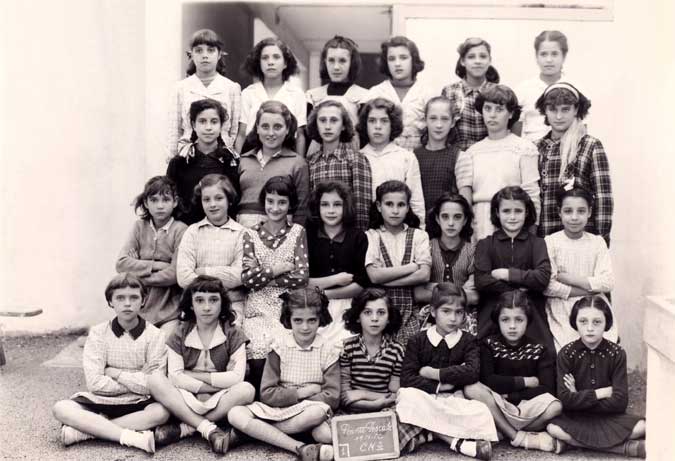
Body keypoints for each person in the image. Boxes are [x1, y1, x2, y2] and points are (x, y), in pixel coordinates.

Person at [52, 274, 169, 453]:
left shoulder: (155, 335)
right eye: (120, 298)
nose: (127, 304)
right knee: (61, 408)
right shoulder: (98, 333)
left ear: (143, 301)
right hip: (102, 399)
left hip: (138, 401)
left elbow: (152, 385)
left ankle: (85, 432)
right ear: (110, 302)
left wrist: (115, 373)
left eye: (134, 298)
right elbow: (95, 383)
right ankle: (131, 437)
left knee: (161, 412)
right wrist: (138, 376)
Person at [228, 288, 339, 461]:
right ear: (288, 319)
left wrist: (306, 402)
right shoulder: (279, 347)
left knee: (320, 423)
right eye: (298, 320)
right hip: (278, 409)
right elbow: (266, 394)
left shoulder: (328, 349)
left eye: (312, 320)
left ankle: (254, 433)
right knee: (235, 413)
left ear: (320, 319)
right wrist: (302, 392)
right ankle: (298, 446)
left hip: (308, 410)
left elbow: (332, 396)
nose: (305, 327)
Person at [147, 276, 254, 453]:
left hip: (219, 397)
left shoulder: (233, 333)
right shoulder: (180, 333)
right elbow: (175, 377)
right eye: (199, 300)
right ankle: (209, 428)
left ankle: (186, 428)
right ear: (191, 304)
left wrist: (192, 374)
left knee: (247, 390)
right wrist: (214, 383)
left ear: (222, 304)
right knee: (155, 379)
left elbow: (237, 378)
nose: (206, 307)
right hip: (185, 396)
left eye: (213, 300)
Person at [396, 283, 497, 460]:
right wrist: (439, 386)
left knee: (481, 411)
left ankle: (428, 432)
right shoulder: (417, 340)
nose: (453, 318)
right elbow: (407, 378)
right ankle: (455, 442)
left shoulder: (469, 340)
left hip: (454, 400)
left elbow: (472, 372)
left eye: (459, 312)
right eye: (446, 311)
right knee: (406, 396)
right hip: (426, 397)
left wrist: (434, 373)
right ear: (433, 311)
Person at [546, 296, 646, 458]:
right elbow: (565, 400)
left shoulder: (616, 353)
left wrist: (578, 396)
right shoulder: (566, 354)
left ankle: (572, 443)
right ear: (575, 323)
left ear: (606, 323)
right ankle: (624, 448)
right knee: (553, 428)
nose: (590, 328)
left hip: (610, 418)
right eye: (583, 321)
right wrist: (601, 393)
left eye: (597, 322)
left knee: (643, 426)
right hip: (578, 419)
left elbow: (620, 402)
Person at [464, 291, 563, 453]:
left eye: (519, 320)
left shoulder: (539, 349)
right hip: (498, 404)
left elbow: (547, 388)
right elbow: (489, 380)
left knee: (555, 406)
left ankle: (502, 430)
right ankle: (516, 436)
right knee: (471, 388)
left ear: (528, 321)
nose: (512, 326)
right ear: (497, 320)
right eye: (505, 319)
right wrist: (525, 381)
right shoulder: (487, 344)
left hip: (525, 406)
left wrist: (512, 396)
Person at [241, 176, 309, 394]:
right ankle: (259, 398)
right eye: (270, 201)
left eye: (282, 202)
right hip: (257, 307)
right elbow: (248, 280)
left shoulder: (297, 232)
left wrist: (262, 274)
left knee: (282, 345)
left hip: (285, 305)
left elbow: (301, 276)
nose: (275, 208)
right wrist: (278, 269)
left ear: (290, 204)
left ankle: (281, 396)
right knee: (257, 346)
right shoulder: (251, 234)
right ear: (264, 202)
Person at [474, 186, 553, 357]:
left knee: (545, 354)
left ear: (526, 212)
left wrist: (507, 274)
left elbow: (542, 278)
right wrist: (520, 288)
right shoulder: (485, 244)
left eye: (518, 211)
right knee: (481, 353)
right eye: (506, 211)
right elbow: (482, 281)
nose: (512, 217)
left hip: (531, 312)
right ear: (497, 212)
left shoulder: (537, 243)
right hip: (493, 312)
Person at [455, 84, 541, 240]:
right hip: (479, 223)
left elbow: (532, 194)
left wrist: (530, 235)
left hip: (513, 221)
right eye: (487, 109)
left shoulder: (525, 148)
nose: (492, 115)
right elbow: (466, 197)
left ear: (511, 113)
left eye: (499, 109)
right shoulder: (472, 152)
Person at [535, 82, 613, 245]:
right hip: (545, 237)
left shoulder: (590, 145)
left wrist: (601, 240)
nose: (558, 116)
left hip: (582, 239)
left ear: (576, 109)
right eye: (552, 110)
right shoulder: (537, 148)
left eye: (565, 109)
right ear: (545, 111)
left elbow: (603, 197)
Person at [544, 186, 616, 351]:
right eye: (568, 211)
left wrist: (566, 277)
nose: (574, 217)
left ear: (589, 212)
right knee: (568, 351)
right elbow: (549, 286)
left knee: (602, 349)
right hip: (561, 307)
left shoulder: (597, 242)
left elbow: (608, 282)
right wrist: (589, 289)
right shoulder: (551, 242)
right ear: (559, 212)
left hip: (594, 306)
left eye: (581, 211)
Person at [116, 176, 187, 335]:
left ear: (175, 202)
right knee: (125, 342)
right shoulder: (139, 227)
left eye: (166, 200)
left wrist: (138, 272)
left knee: (163, 342)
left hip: (169, 308)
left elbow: (174, 274)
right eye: (154, 200)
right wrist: (158, 265)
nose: (160, 206)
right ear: (146, 203)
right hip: (139, 306)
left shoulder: (181, 230)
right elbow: (121, 264)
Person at [365, 180, 430, 347]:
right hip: (380, 314)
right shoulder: (371, 236)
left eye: (401, 205)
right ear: (379, 206)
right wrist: (411, 267)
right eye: (389, 204)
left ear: (408, 207)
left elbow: (424, 274)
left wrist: (385, 280)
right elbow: (374, 276)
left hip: (412, 313)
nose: (395, 211)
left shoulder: (419, 236)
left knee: (411, 353)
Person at [176, 174, 248, 322]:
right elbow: (183, 277)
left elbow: (240, 275)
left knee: (232, 331)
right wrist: (223, 276)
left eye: (219, 198)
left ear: (229, 199)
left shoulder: (242, 234)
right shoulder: (192, 232)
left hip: (232, 304)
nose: (212, 204)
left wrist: (204, 272)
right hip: (197, 305)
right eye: (206, 199)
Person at [307, 181, 369, 344]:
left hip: (349, 306)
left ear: (346, 206)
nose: (331, 210)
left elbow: (361, 284)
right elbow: (302, 281)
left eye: (337, 204)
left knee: (344, 345)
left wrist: (324, 293)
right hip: (313, 306)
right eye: (325, 205)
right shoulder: (308, 236)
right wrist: (335, 279)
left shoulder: (358, 237)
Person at [167, 29, 241, 156]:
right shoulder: (181, 88)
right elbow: (174, 130)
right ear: (191, 55)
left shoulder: (231, 88)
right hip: (188, 156)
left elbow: (234, 130)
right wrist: (173, 159)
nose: (205, 55)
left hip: (221, 156)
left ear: (219, 55)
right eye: (199, 50)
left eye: (210, 50)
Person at [167, 98, 240, 225]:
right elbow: (171, 198)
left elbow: (236, 201)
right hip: (186, 228)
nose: (208, 127)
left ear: (221, 125)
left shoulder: (231, 162)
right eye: (202, 121)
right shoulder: (180, 162)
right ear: (193, 125)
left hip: (222, 229)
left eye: (214, 122)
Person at [237, 100, 310, 227]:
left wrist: (295, 234)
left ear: (287, 129)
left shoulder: (297, 163)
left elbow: (302, 208)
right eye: (265, 126)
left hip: (282, 229)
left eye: (277, 127)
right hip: (244, 227)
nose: (271, 133)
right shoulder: (243, 160)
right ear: (257, 128)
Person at [416, 193, 478, 335]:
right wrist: (460, 291)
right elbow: (419, 294)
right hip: (429, 319)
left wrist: (433, 287)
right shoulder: (426, 247)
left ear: (465, 220)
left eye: (457, 217)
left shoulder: (473, 251)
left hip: (462, 320)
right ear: (437, 218)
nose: (451, 223)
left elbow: (475, 297)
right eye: (445, 216)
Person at [306, 100, 372, 231]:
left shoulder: (355, 159)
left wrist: (358, 238)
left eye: (334, 120)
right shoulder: (311, 162)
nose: (327, 126)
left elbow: (362, 208)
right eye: (322, 120)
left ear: (343, 126)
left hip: (348, 235)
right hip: (319, 235)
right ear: (316, 125)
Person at [358, 98, 425, 227]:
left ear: (393, 124)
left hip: (398, 229)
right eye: (372, 121)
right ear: (365, 124)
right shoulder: (358, 157)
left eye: (384, 121)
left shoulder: (406, 157)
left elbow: (416, 202)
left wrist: (420, 231)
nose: (378, 126)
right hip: (365, 229)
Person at [235, 38, 307, 156]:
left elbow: (300, 135)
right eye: (265, 58)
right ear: (259, 63)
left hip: (287, 155)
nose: (270, 62)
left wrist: (299, 162)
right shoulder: (248, 93)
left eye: (276, 57)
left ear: (285, 63)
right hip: (253, 155)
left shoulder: (297, 94)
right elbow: (242, 134)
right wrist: (239, 162)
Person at [339, 288, 404, 412]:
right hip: (352, 412)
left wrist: (363, 394)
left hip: (385, 411)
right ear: (358, 317)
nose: (374, 318)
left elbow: (395, 395)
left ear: (389, 318)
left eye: (381, 312)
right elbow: (345, 397)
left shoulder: (397, 350)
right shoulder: (347, 348)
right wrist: (374, 404)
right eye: (367, 312)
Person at [365, 36, 434, 150]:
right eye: (391, 59)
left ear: (413, 60)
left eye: (403, 58)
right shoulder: (375, 93)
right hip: (383, 156)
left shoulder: (427, 93)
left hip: (419, 157)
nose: (397, 64)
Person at [442, 37, 500, 151]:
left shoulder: (497, 92)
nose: (477, 61)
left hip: (490, 154)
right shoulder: (449, 92)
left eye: (483, 56)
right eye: (471, 57)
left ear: (489, 60)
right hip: (457, 156)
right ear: (462, 61)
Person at [305, 35, 368, 137]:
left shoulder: (364, 96)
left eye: (342, 61)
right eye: (331, 60)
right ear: (325, 62)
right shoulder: (312, 96)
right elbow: (307, 135)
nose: (336, 67)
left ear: (352, 63)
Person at [514, 30, 570, 141]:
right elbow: (515, 136)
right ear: (536, 56)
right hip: (531, 148)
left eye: (554, 54)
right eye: (543, 54)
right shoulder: (523, 89)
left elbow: (581, 132)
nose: (549, 60)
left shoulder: (574, 89)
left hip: (566, 148)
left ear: (563, 56)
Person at [414, 96, 461, 213]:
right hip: (419, 219)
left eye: (444, 119)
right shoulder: (413, 156)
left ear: (452, 122)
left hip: (447, 220)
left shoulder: (459, 157)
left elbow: (464, 201)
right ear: (425, 120)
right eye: (433, 118)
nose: (439, 125)